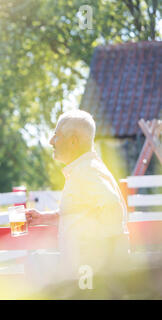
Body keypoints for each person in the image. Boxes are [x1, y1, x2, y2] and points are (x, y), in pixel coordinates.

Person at [25, 109, 130, 298]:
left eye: (56, 136)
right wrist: (44, 217)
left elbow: (113, 209)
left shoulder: (87, 172)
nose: (51, 141)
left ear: (73, 141)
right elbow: (80, 216)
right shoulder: (84, 169)